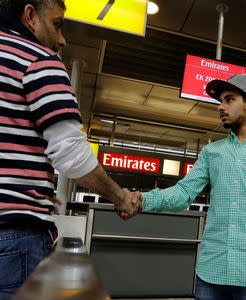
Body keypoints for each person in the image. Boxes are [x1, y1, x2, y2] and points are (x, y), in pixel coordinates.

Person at [0, 1, 142, 298]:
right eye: (58, 24)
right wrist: (120, 197)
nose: (62, 40)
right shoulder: (38, 60)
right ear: (30, 16)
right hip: (12, 239)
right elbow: (73, 155)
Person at [140, 75, 246, 299]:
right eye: (220, 101)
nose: (221, 106)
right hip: (211, 272)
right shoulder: (212, 152)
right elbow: (183, 193)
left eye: (229, 99)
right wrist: (141, 200)